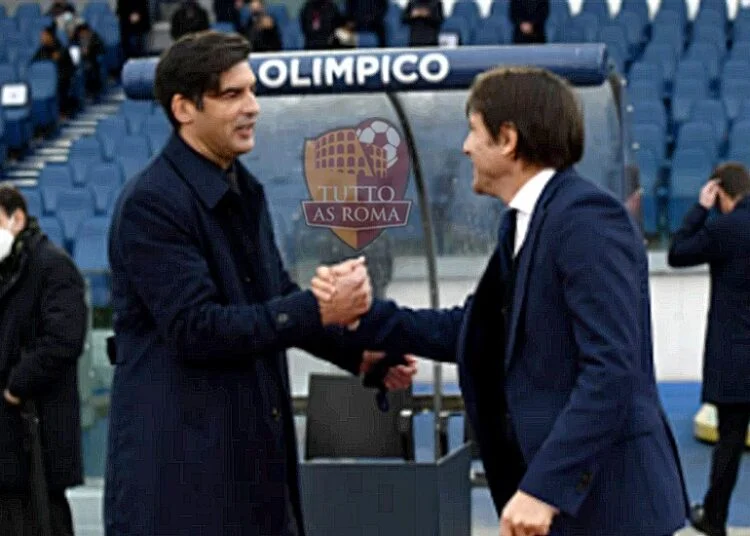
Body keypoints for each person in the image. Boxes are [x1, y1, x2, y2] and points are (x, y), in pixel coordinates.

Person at [313, 66, 690, 536]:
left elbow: (612, 369)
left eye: (473, 131)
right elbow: (473, 330)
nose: (466, 147)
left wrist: (543, 490)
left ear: (507, 138)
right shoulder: (523, 224)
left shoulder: (587, 220)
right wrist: (363, 317)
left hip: (609, 507)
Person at [104, 31, 416, 536]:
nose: (252, 108)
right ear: (184, 107)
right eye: (232, 95)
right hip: (184, 484)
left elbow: (273, 300)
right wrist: (319, 307)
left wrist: (358, 355)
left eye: (252, 92)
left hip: (250, 473)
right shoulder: (152, 204)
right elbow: (197, 328)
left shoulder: (244, 189)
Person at [667, 162, 750, 536]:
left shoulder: (723, 229)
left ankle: (714, 519)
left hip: (735, 357)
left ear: (719, 192)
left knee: (729, 445)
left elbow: (678, 252)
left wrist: (700, 209)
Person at [0, 185, 88, 536]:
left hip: (36, 444)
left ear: (16, 218)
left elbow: (64, 339)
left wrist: (16, 385)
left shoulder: (53, 266)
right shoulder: (8, 271)